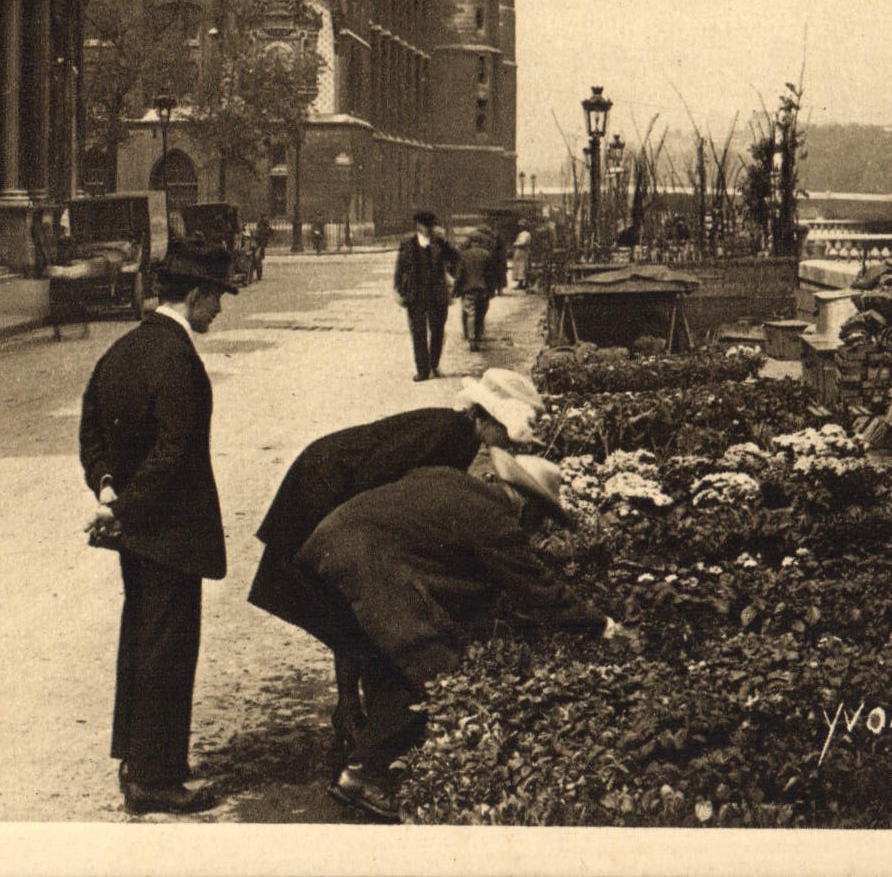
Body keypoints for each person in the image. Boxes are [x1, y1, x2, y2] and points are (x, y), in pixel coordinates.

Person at [300, 448, 638, 821]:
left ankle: (364, 753)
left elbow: (428, 549)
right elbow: (536, 588)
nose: (538, 529)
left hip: (324, 543)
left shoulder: (450, 478)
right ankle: (364, 773)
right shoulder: (495, 520)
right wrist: (603, 626)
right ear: (527, 506)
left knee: (386, 659)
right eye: (541, 517)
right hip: (367, 563)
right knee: (433, 670)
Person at [246, 370, 543, 757]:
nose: (510, 447)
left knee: (352, 620)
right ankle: (358, 729)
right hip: (320, 503)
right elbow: (373, 493)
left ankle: (351, 714)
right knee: (357, 618)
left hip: (327, 500)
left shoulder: (453, 430)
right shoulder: (449, 435)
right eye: (509, 436)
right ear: (488, 418)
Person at [78, 238, 236, 815]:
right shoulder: (178, 359)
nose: (219, 308)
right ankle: (155, 779)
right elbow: (174, 452)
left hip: (135, 532)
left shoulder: (120, 350)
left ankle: (137, 758)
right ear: (193, 296)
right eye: (216, 297)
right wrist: (124, 508)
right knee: (169, 650)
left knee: (140, 641)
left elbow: (90, 431)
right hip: (171, 532)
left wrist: (107, 490)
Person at [393, 209, 460, 381]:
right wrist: (400, 289)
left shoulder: (440, 244)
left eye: (430, 225)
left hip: (437, 294)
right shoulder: (408, 245)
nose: (428, 229)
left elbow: (455, 260)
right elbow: (400, 269)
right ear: (418, 226)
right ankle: (422, 370)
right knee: (418, 333)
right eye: (425, 225)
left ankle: (434, 364)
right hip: (416, 295)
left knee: (438, 330)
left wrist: (446, 243)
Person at [452, 230, 495, 351]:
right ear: (480, 242)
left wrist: (455, 289)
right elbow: (490, 275)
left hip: (468, 289)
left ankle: (472, 339)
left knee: (471, 313)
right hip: (483, 289)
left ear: (470, 242)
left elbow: (459, 274)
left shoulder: (464, 255)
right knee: (480, 314)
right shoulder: (487, 254)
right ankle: (479, 337)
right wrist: (491, 290)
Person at [510, 221, 532, 289]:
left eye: (521, 226)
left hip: (523, 251)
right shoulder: (521, 234)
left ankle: (522, 283)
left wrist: (515, 244)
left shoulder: (526, 234)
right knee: (519, 266)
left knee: (522, 267)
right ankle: (520, 283)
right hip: (519, 252)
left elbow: (523, 242)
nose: (520, 227)